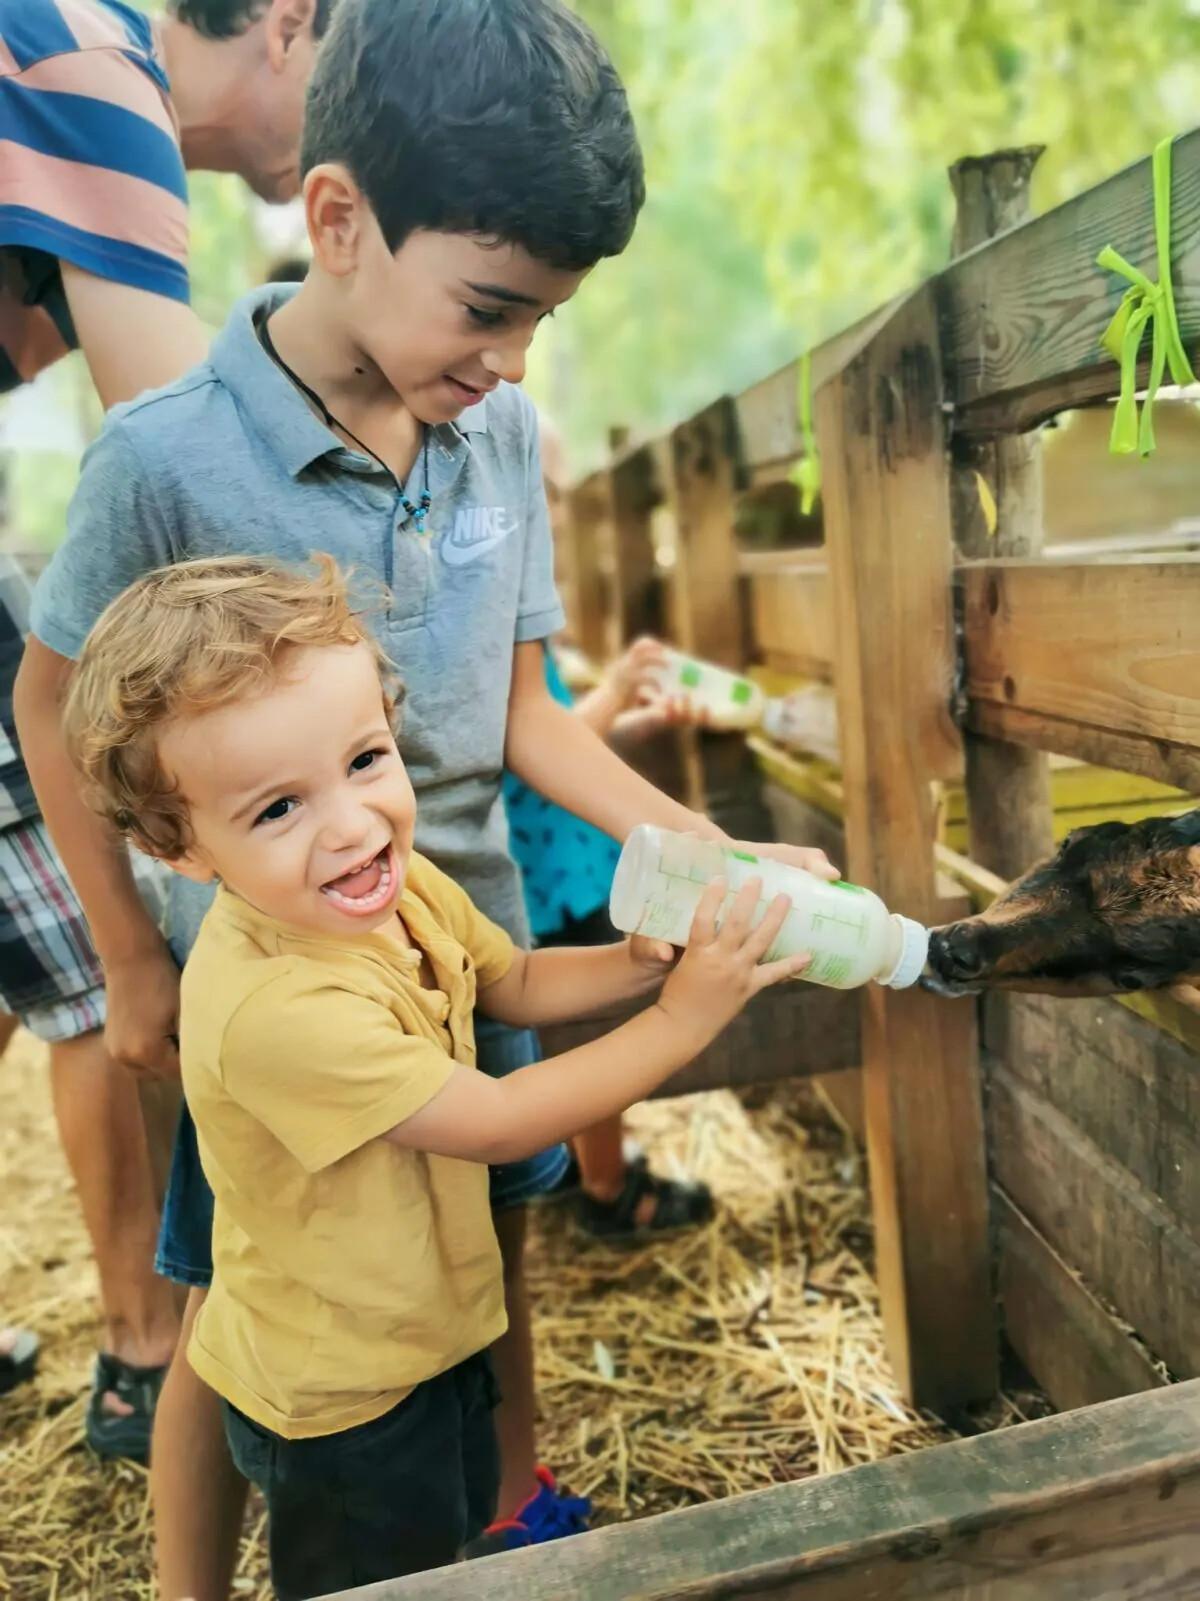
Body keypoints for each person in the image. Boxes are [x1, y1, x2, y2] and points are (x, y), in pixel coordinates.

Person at [17, 0, 834, 1591]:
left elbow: (526, 715)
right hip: (265, 970)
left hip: (469, 934)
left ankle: (504, 1509)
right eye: (487, 306)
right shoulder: (168, 456)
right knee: (237, 1298)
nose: (511, 358)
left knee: (483, 1239)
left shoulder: (499, 433)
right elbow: (54, 708)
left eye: (539, 320)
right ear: (338, 220)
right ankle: (193, 1580)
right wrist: (129, 956)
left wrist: (687, 840)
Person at [61, 552, 805, 1597]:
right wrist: (684, 1019)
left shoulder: (392, 883)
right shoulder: (280, 1006)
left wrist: (639, 961)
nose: (354, 823)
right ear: (180, 847)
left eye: (367, 759)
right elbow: (498, 1118)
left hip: (426, 1329)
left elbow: (513, 978)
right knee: (379, 1571)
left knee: (449, 1533)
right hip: (342, 1394)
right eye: (278, 809)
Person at [0, 0, 338, 1460]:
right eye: (355, 69)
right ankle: (151, 1346)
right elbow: (189, 478)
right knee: (94, 977)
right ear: (287, 20)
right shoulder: (85, 56)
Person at [504, 421, 715, 1245]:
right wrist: (619, 688)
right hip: (551, 869)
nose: (558, 514)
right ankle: (603, 1185)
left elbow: (555, 729)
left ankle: (579, 1165)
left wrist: (622, 707)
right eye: (551, 491)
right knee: (589, 1027)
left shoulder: (519, 596)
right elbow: (534, 743)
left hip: (563, 855)